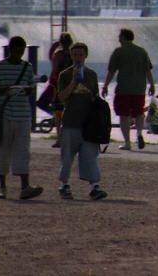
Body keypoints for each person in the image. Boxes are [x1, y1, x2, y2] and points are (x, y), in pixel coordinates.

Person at [0, 36, 43, 200]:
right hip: (5, 115)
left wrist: (27, 90)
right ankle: (2, 187)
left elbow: (31, 87)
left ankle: (25, 186)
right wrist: (7, 91)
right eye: (17, 50)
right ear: (10, 49)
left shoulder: (27, 67)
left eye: (22, 50)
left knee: (23, 151)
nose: (19, 53)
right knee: (3, 150)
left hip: (23, 114)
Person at [55, 42, 107, 201]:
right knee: (67, 157)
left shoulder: (91, 74)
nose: (78, 57)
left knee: (90, 156)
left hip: (88, 124)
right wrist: (73, 82)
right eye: (75, 54)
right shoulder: (64, 75)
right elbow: (62, 97)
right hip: (70, 122)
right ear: (71, 56)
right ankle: (64, 185)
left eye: (80, 54)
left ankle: (94, 187)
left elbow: (95, 98)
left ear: (86, 55)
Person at [102, 28, 156, 151]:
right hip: (139, 89)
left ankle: (127, 142)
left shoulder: (119, 52)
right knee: (139, 113)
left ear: (124, 37)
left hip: (124, 89)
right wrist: (152, 85)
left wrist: (105, 86)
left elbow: (111, 71)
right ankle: (139, 134)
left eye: (119, 36)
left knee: (123, 114)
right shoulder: (142, 51)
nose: (118, 39)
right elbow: (148, 70)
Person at [47, 32, 75, 147]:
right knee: (71, 112)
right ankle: (71, 138)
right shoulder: (74, 54)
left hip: (60, 87)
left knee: (58, 114)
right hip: (72, 86)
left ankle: (60, 139)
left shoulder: (58, 55)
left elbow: (54, 71)